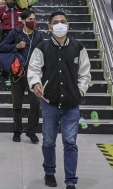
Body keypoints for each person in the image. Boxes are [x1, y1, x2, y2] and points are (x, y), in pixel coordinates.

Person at [27, 11, 92, 189]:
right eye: (56, 22)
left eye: (63, 21)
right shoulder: (42, 47)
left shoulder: (78, 47)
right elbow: (33, 69)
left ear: (68, 25)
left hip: (72, 105)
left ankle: (71, 180)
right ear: (50, 27)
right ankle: (49, 172)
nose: (60, 24)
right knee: (48, 141)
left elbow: (85, 73)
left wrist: (80, 92)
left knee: (70, 142)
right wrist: (36, 84)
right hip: (50, 103)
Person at [0, 9, 44, 144]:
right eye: (30, 19)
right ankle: (17, 131)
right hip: (17, 73)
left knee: (36, 104)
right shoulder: (16, 33)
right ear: (23, 21)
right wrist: (16, 46)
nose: (33, 22)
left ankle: (31, 132)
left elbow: (43, 53)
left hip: (34, 76)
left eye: (34, 19)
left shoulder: (38, 35)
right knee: (17, 104)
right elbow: (2, 47)